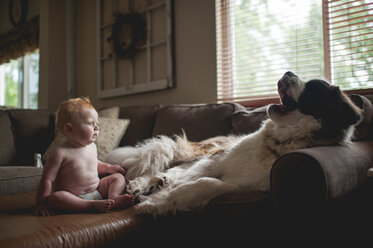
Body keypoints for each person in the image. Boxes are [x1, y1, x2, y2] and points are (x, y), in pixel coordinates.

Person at [35, 97, 133, 216]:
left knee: (118, 177)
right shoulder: (60, 153)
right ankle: (90, 205)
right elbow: (47, 180)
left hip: (97, 190)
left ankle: (114, 198)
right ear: (69, 129)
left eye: (97, 124)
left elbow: (95, 163)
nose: (96, 127)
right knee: (55, 198)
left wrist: (108, 168)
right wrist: (41, 203)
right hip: (73, 198)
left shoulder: (92, 146)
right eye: (91, 124)